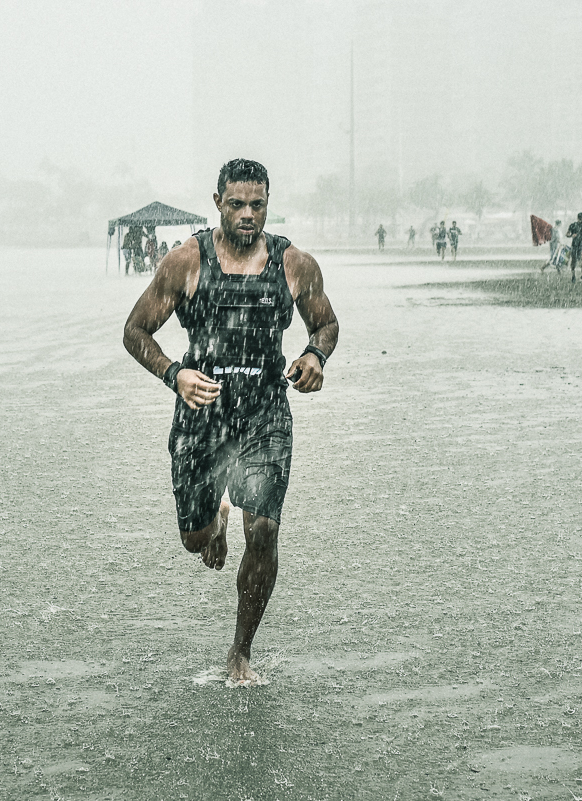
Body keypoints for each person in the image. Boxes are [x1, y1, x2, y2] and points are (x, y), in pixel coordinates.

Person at [123, 159, 339, 686]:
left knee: (263, 531)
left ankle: (240, 651)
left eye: (257, 205)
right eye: (237, 204)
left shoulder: (294, 265)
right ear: (217, 202)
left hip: (265, 414)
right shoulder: (186, 261)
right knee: (194, 540)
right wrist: (175, 374)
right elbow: (135, 330)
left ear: (268, 205)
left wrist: (314, 355)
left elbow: (326, 323)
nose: (247, 215)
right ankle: (214, 520)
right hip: (202, 415)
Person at [565, 212, 582, 282]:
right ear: (577, 218)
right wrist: (571, 235)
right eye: (579, 219)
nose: (581, 220)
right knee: (574, 260)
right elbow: (567, 234)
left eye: (581, 219)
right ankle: (573, 276)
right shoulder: (573, 225)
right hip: (575, 244)